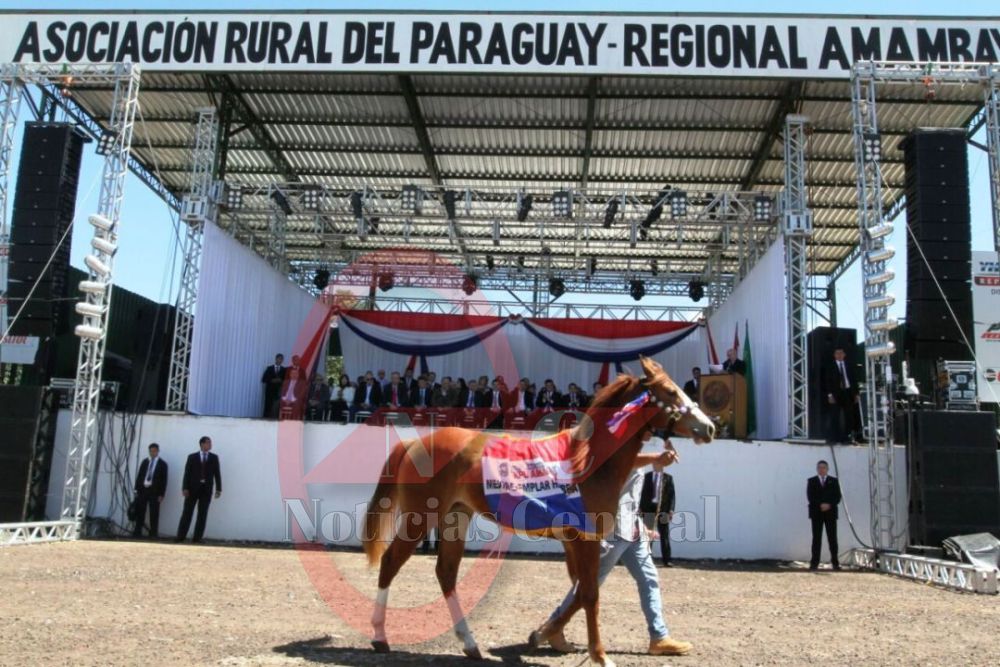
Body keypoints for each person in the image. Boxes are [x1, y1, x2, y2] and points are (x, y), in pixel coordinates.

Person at [531, 440, 693, 657]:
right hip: (613, 530)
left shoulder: (633, 449)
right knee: (588, 585)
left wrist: (639, 524)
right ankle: (554, 627)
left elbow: (632, 492)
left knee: (649, 579)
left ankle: (659, 637)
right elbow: (622, 464)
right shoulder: (616, 447)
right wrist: (656, 458)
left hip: (631, 530)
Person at [176, 436, 222, 544]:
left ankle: (197, 538)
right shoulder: (192, 457)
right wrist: (185, 487)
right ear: (201, 444)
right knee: (187, 512)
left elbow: (217, 474)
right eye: (207, 443)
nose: (210, 445)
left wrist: (218, 489)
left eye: (210, 443)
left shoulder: (214, 458)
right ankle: (180, 536)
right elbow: (187, 473)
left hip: (206, 489)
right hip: (192, 489)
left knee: (202, 514)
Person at [807, 460, 842, 571]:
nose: (821, 469)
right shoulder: (812, 481)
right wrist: (820, 505)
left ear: (827, 469)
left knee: (832, 538)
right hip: (816, 513)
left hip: (830, 513)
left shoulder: (834, 481)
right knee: (816, 539)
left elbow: (837, 497)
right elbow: (810, 496)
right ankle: (814, 563)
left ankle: (835, 563)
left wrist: (829, 505)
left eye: (824, 467)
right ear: (817, 469)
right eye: (819, 467)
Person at [822, 347, 861, 444]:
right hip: (836, 393)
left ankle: (847, 437)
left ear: (844, 354)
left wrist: (856, 394)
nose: (839, 355)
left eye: (841, 353)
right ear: (834, 355)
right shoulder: (830, 366)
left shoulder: (848, 365)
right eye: (837, 353)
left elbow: (854, 380)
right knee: (835, 415)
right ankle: (834, 437)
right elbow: (827, 381)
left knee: (849, 415)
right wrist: (830, 395)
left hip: (847, 392)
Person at [640, 469, 676, 567]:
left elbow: (672, 495)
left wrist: (671, 510)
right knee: (648, 535)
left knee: (664, 535)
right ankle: (647, 559)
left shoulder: (668, 478)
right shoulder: (646, 476)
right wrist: (641, 508)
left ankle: (667, 560)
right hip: (648, 509)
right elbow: (642, 493)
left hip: (663, 509)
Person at [133, 443, 168, 539]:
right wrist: (136, 489)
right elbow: (139, 476)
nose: (152, 453)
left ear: (157, 451)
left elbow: (164, 480)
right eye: (151, 451)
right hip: (143, 490)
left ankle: (153, 533)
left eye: (154, 451)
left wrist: (161, 494)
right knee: (140, 511)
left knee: (154, 513)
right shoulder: (145, 462)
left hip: (155, 491)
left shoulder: (162, 464)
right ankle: (137, 532)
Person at [260, 353, 285, 419]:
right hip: (269, 392)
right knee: (267, 407)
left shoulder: (284, 370)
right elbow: (264, 379)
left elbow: (286, 381)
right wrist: (272, 380)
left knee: (276, 408)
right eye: (279, 359)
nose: (280, 360)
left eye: (281, 359)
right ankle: (265, 420)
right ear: (276, 359)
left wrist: (281, 381)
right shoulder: (269, 368)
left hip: (278, 392)